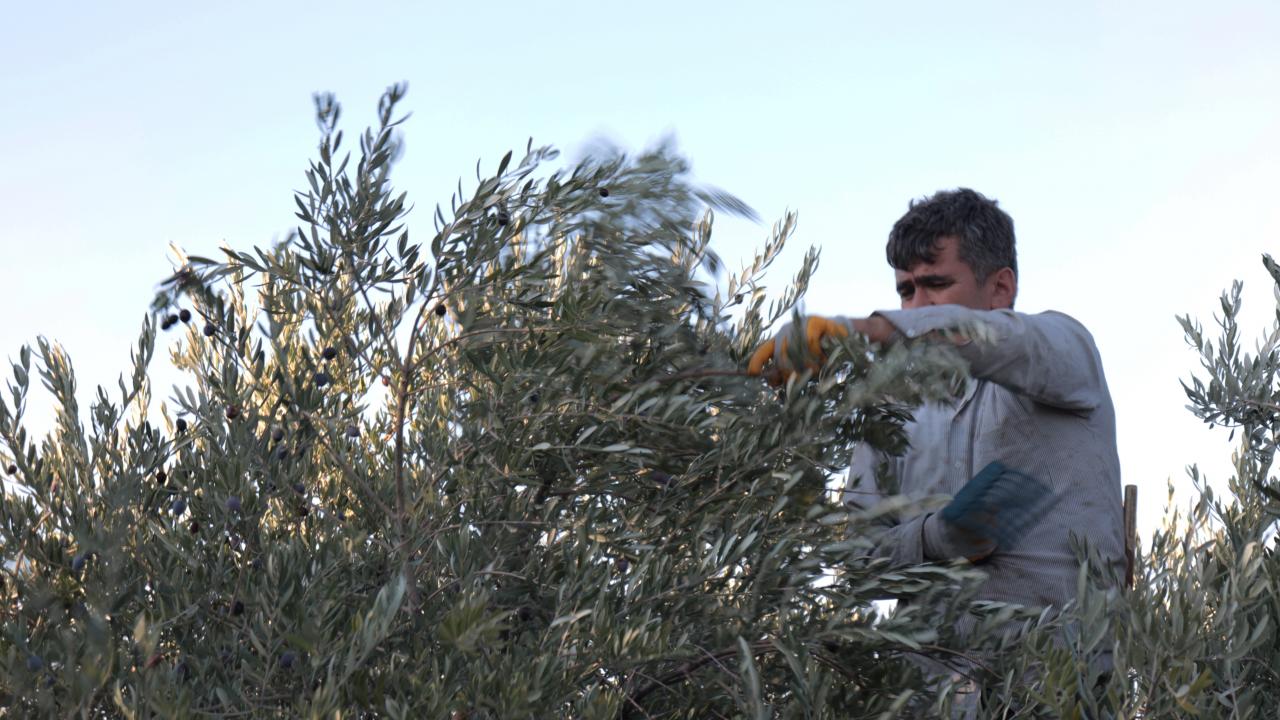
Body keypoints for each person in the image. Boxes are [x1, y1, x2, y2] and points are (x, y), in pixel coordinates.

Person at [747, 187, 1125, 614]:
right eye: (906, 291)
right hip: (930, 679)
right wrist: (936, 539)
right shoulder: (890, 409)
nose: (915, 306)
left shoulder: (1065, 351)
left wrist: (862, 332)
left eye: (937, 284)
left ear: (1000, 288)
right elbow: (855, 561)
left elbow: (997, 339)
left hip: (1056, 672)